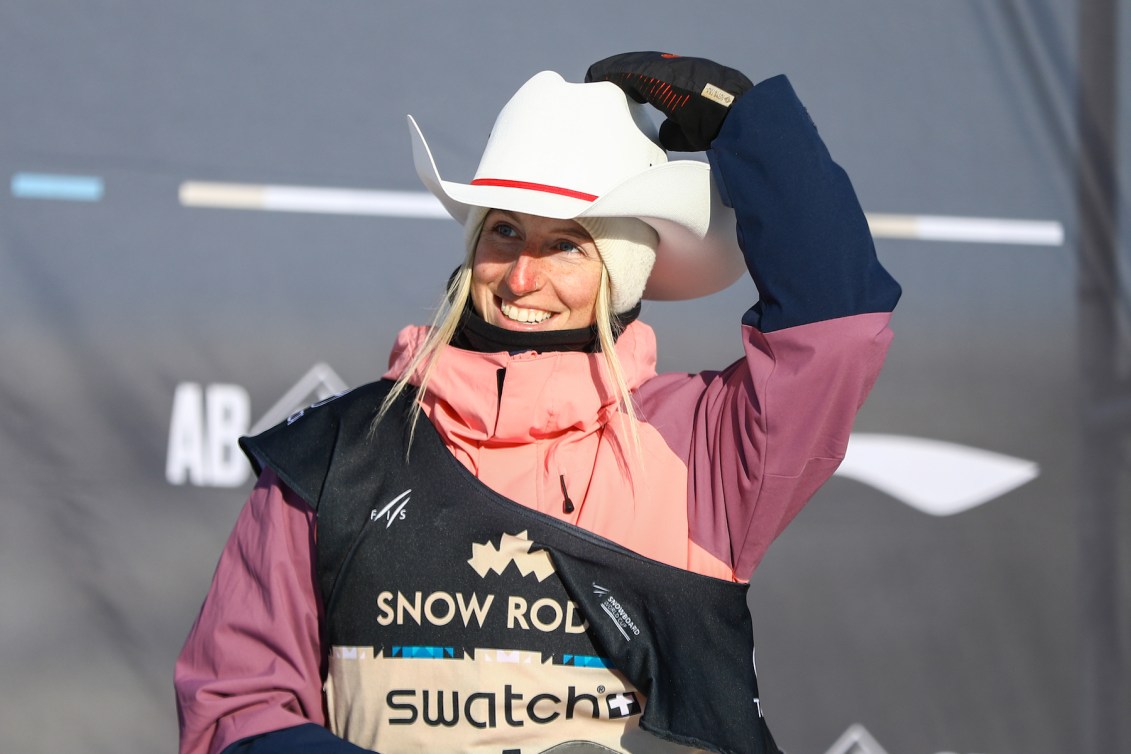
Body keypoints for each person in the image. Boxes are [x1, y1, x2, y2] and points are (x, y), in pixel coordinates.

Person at [175, 52, 901, 754]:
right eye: (505, 232)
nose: (523, 278)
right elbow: (236, 707)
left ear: (621, 278)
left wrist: (752, 129)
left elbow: (835, 334)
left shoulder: (700, 445)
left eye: (567, 247)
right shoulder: (334, 455)